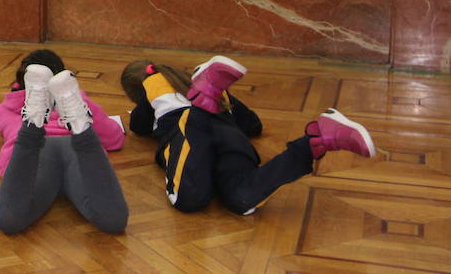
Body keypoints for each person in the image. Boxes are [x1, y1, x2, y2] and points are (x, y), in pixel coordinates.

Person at [121, 55, 376, 215]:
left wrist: (144, 105)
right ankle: (318, 140)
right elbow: (253, 125)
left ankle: (197, 113)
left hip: (190, 139)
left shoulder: (152, 91)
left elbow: (138, 127)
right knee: (242, 198)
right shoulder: (217, 90)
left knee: (189, 199)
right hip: (230, 138)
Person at [0, 50, 128, 236]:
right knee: (113, 221)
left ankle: (33, 121)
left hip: (37, 153)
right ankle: (80, 125)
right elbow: (114, 139)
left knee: (10, 220)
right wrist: (85, 103)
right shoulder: (84, 101)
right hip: (77, 148)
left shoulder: (4, 109)